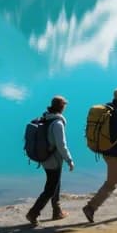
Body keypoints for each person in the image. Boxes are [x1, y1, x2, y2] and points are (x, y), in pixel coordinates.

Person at [82, 87, 117, 221]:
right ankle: (91, 207)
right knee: (112, 183)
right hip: (116, 153)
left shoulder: (108, 109)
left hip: (105, 150)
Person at [25, 95, 74, 225]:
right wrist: (69, 159)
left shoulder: (46, 118)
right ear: (62, 107)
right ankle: (33, 213)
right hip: (53, 160)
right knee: (51, 188)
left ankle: (57, 211)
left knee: (55, 183)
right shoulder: (57, 123)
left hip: (45, 158)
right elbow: (61, 145)